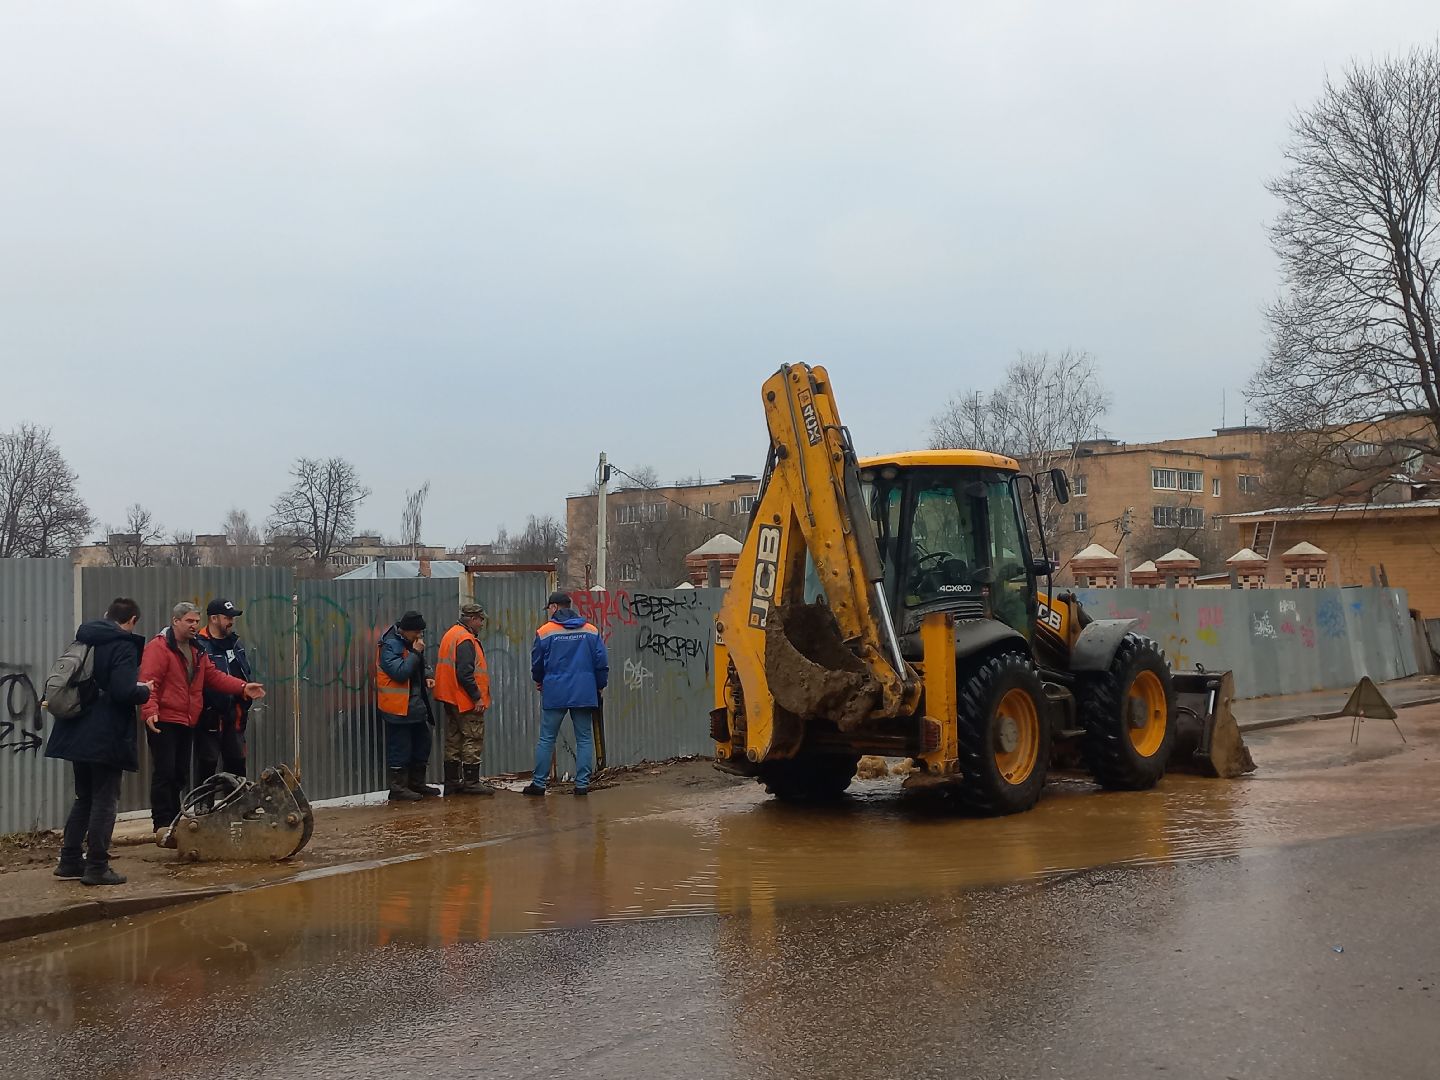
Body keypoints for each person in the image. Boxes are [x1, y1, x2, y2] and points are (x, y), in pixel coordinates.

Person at [43, 598, 154, 886]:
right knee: (105, 800)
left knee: (85, 797)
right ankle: (96, 866)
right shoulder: (123, 645)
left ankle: (69, 860)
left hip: (76, 729)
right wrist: (144, 691)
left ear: (107, 615)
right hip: (105, 735)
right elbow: (122, 691)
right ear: (131, 621)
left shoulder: (85, 639)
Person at [140, 601, 266, 844]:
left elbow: (213, 676)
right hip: (164, 719)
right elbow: (148, 681)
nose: (194, 625)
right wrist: (150, 709)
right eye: (189, 621)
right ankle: (162, 824)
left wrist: (242, 687)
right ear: (175, 621)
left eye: (196, 621)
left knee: (178, 773)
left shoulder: (196, 649)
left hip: (187, 719)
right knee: (165, 772)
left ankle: (175, 822)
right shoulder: (160, 647)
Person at [524, 591, 608, 797]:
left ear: (554, 607)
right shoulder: (590, 630)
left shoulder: (545, 632)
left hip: (555, 691)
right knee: (584, 738)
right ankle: (581, 785)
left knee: (547, 738)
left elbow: (537, 662)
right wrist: (599, 685)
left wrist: (539, 680)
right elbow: (601, 662)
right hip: (584, 691)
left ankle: (539, 784)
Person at [377, 610, 440, 802]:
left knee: (422, 743)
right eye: (417, 632)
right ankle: (398, 788)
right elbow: (399, 672)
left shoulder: (409, 643)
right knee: (400, 748)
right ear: (405, 630)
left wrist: (428, 674)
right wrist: (415, 653)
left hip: (414, 706)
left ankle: (416, 783)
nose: (419, 636)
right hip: (398, 708)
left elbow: (422, 663)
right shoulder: (389, 645)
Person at [434, 602, 496, 796]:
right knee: (472, 738)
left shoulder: (451, 634)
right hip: (465, 700)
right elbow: (465, 673)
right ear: (472, 619)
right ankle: (471, 782)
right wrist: (477, 698)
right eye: (480, 619)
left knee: (453, 740)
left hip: (449, 697)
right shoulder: (465, 639)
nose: (482, 623)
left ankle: (452, 782)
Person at [195, 598, 252, 783]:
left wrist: (245, 699)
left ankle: (238, 808)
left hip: (236, 715)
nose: (231, 621)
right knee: (207, 763)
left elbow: (245, 673)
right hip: (209, 716)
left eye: (232, 617)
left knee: (237, 763)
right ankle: (204, 808)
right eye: (227, 617)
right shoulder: (199, 645)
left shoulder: (236, 644)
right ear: (213, 618)